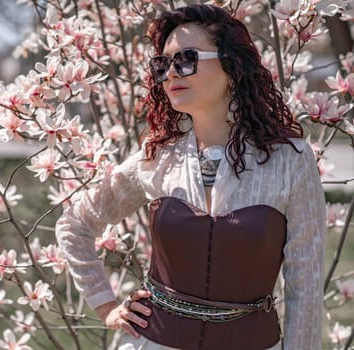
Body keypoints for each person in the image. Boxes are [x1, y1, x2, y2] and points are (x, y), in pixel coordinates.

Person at [55, 4, 325, 350]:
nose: (170, 74)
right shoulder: (157, 156)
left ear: (231, 64)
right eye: (162, 64)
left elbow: (306, 284)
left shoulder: (290, 160)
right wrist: (105, 305)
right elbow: (74, 224)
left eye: (186, 59)